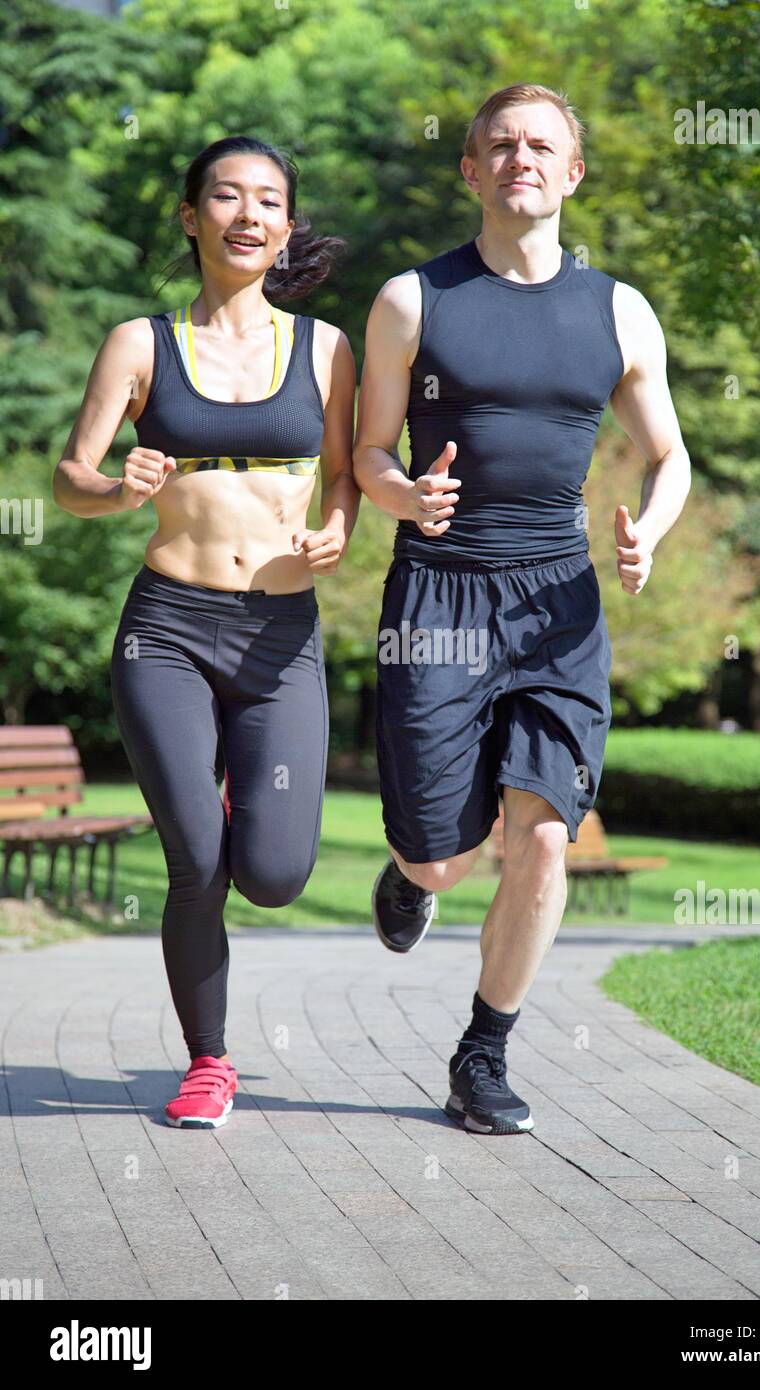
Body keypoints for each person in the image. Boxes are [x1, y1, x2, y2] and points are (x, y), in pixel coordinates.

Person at [353, 84, 691, 1135]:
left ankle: (482, 1052)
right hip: (439, 594)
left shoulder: (616, 309)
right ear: (469, 170)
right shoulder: (414, 300)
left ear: (572, 171)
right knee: (442, 856)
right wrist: (400, 493)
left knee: (542, 838)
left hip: (558, 600)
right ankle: (410, 874)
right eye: (498, 145)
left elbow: (668, 454)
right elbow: (365, 450)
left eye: (541, 145)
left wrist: (649, 525)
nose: (519, 159)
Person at [53, 135, 358, 1129]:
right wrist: (115, 485)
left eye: (267, 201)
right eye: (224, 197)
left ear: (285, 227)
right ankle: (209, 1061)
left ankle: (242, 804)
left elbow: (348, 474)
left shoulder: (324, 348)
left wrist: (338, 530)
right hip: (168, 633)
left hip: (279, 641)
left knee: (271, 874)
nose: (247, 214)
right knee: (196, 860)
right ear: (192, 218)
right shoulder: (139, 342)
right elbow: (72, 479)